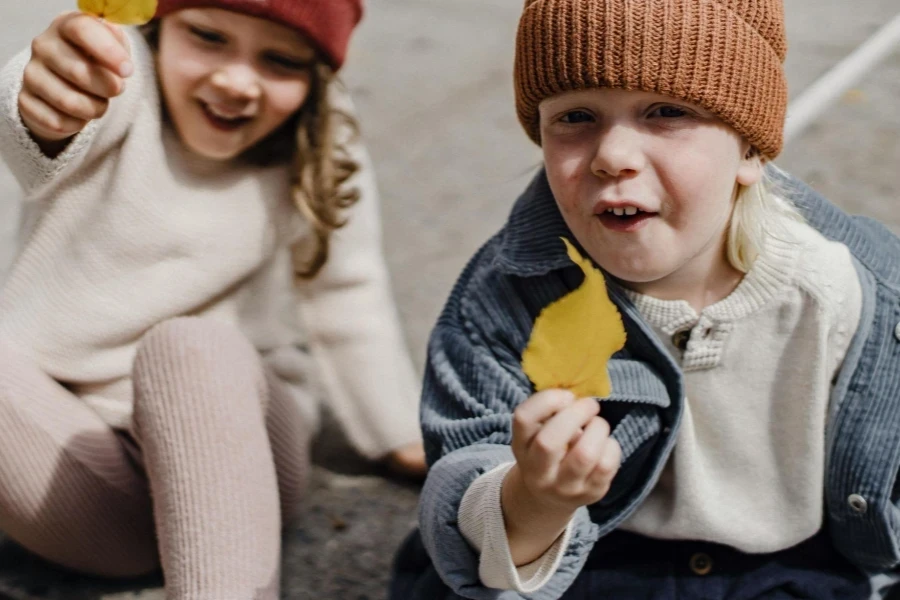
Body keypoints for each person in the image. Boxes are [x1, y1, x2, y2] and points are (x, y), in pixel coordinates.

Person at [391, 0, 900, 598]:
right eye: (576, 116)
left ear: (751, 151)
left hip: (789, 571)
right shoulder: (505, 299)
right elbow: (468, 483)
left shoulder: (856, 296)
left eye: (666, 111)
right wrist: (533, 500)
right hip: (586, 563)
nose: (612, 156)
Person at [0, 0, 425, 597]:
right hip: (88, 486)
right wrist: (43, 93)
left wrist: (400, 435)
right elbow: (42, 112)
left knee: (186, 343)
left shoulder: (324, 131)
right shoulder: (121, 78)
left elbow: (348, 290)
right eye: (206, 36)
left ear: (314, 75)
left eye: (280, 60)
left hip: (240, 458)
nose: (235, 81)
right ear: (157, 28)